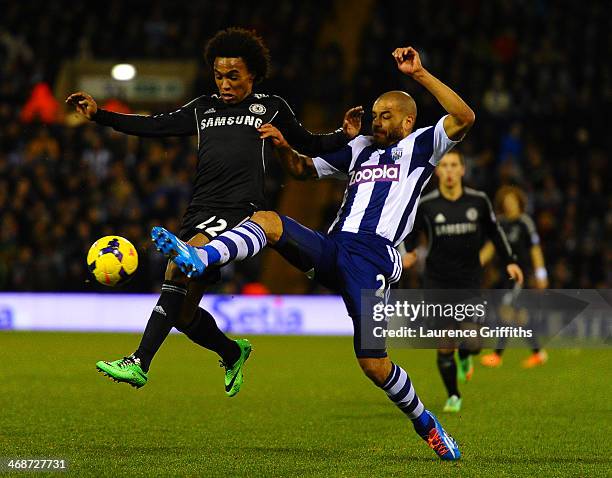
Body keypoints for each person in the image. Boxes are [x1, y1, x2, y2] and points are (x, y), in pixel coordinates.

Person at [151, 46, 473, 460]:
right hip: (334, 248)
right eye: (374, 114)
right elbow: (302, 170)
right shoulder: (359, 149)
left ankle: (427, 424)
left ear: (408, 120)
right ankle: (202, 257)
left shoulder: (423, 145)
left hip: (373, 262)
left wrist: (421, 74)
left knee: (374, 365)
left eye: (385, 115)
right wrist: (285, 145)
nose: (376, 120)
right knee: (269, 219)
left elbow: (465, 117)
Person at [66, 27, 363, 394]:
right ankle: (231, 351)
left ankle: (140, 362)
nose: (224, 83)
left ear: (252, 74)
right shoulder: (202, 108)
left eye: (233, 76)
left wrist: (344, 135)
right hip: (200, 209)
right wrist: (101, 116)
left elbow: (309, 143)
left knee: (178, 265)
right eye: (219, 75)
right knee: (184, 315)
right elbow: (153, 126)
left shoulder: (270, 107)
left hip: (241, 210)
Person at [401, 151, 523, 413]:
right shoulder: (428, 204)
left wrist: (510, 260)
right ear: (438, 171)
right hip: (437, 281)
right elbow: (411, 232)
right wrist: (408, 253)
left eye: (454, 165)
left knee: (473, 343)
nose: (448, 170)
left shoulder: (478, 201)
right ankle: (453, 395)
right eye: (443, 165)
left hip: (469, 280)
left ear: (462, 170)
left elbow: (495, 231)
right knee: (445, 344)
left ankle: (466, 357)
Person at [480, 185, 549, 368]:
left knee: (505, 308)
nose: (510, 205)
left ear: (519, 203)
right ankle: (538, 353)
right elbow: (491, 247)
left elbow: (535, 249)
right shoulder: (500, 223)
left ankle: (497, 355)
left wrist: (541, 273)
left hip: (520, 275)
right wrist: (475, 263)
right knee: (518, 318)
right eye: (506, 202)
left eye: (513, 202)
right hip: (504, 276)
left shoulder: (525, 222)